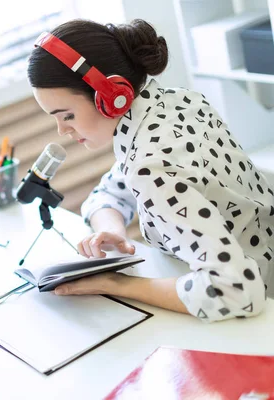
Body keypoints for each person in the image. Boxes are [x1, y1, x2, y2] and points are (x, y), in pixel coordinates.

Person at [27, 19, 274, 322]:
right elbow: (108, 192)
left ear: (111, 95)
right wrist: (112, 228)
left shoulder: (150, 164)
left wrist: (117, 283)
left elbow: (235, 291)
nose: (62, 129)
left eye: (67, 115)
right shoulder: (177, 102)